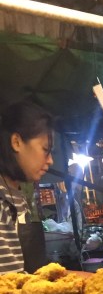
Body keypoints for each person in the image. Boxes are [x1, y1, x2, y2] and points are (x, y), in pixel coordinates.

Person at [0, 99, 54, 272]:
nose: (50, 160)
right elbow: (8, 282)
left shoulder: (17, 194)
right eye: (45, 149)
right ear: (16, 142)